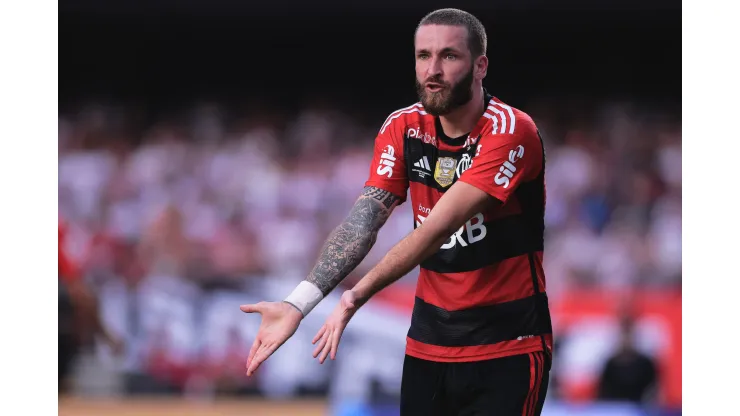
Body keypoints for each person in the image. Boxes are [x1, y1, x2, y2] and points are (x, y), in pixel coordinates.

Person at [240, 8, 553, 415]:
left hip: (507, 346)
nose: (433, 70)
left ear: (481, 66)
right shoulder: (402, 127)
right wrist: (298, 302)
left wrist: (355, 295)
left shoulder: (511, 130)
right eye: (423, 56)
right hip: (429, 345)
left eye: (449, 56)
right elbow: (363, 221)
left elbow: (435, 230)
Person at [597, 314, 659, 404]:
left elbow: (654, 391)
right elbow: (602, 394)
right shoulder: (611, 364)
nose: (626, 339)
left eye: (629, 335)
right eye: (623, 335)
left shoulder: (645, 364)